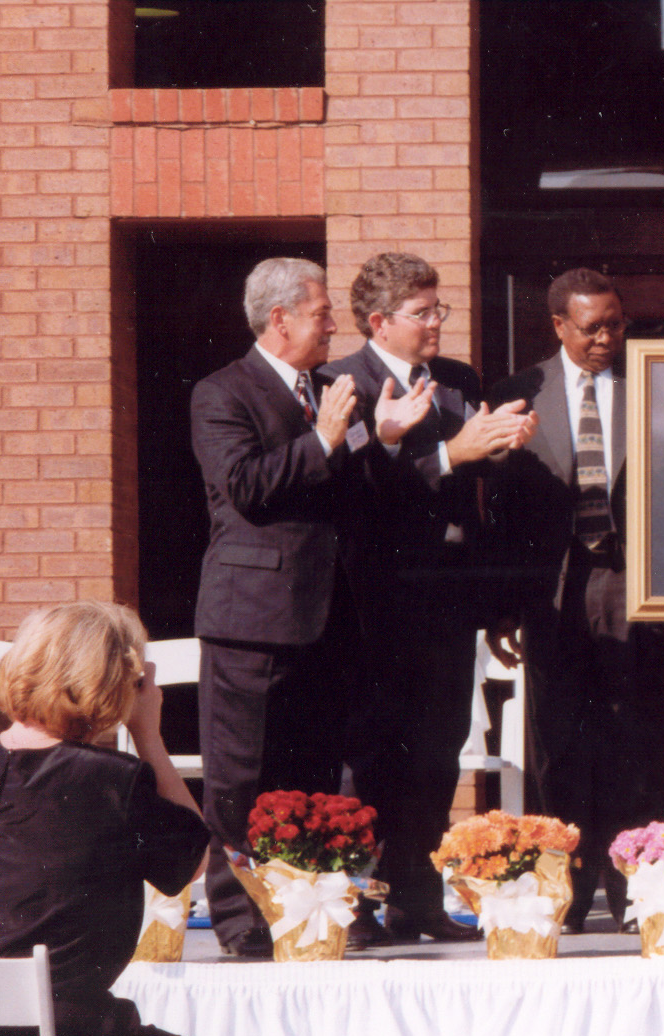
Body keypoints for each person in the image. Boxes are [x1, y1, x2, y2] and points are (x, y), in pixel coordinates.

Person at [189, 257, 420, 957]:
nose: (332, 326)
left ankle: (311, 913)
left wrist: (380, 439)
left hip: (329, 618)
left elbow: (358, 492)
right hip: (254, 620)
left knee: (316, 775)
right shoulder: (221, 392)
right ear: (279, 319)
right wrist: (322, 437)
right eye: (321, 313)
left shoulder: (329, 390)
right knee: (243, 776)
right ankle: (241, 921)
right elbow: (246, 487)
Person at [321, 252, 537, 948]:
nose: (437, 323)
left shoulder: (456, 382)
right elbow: (356, 497)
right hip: (373, 606)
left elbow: (477, 502)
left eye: (439, 309)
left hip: (447, 600)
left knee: (437, 752)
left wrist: (498, 447)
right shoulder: (340, 385)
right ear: (379, 321)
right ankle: (354, 907)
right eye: (424, 313)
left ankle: (416, 900)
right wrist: (452, 454)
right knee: (370, 756)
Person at [483, 268, 664, 934]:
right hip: (553, 591)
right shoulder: (517, 393)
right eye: (591, 327)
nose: (606, 338)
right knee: (558, 744)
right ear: (558, 325)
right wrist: (501, 605)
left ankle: (634, 894)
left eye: (616, 323)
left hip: (632, 585)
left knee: (634, 738)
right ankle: (563, 892)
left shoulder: (652, 379)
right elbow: (498, 510)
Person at [0, 602, 208, 1036]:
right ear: (116, 685)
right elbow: (194, 861)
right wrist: (148, 734)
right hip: (75, 1023)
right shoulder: (112, 780)